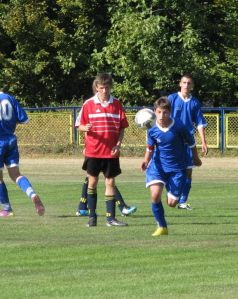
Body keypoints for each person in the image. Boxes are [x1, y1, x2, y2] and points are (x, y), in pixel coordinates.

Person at [0, 74, 45, 217]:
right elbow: (23, 120)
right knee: (16, 174)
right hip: (11, 140)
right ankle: (32, 194)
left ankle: (7, 209)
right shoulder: (10, 99)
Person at [140, 97, 202, 236]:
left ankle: (175, 189)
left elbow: (191, 144)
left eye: (165, 112)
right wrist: (145, 161)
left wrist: (196, 159)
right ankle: (162, 227)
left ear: (170, 112)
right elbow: (150, 147)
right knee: (155, 195)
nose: (162, 116)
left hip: (177, 169)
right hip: (158, 167)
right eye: (159, 112)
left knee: (172, 203)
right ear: (154, 112)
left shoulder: (179, 126)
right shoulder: (151, 128)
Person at [77, 73, 129, 227]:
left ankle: (110, 219)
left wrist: (117, 145)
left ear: (110, 87)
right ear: (96, 87)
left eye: (107, 88)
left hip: (110, 151)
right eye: (101, 88)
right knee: (92, 181)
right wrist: (84, 128)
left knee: (110, 182)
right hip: (93, 150)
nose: (104, 91)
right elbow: (79, 125)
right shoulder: (88, 104)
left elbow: (121, 128)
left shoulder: (117, 104)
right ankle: (92, 217)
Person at [167, 74, 208, 210]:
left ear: (192, 86)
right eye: (184, 82)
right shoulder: (172, 99)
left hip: (188, 141)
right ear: (180, 84)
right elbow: (162, 116)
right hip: (173, 140)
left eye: (189, 83)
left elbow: (200, 123)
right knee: (172, 170)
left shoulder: (194, 102)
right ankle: (173, 194)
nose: (186, 85)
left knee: (188, 172)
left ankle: (183, 202)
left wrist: (203, 142)